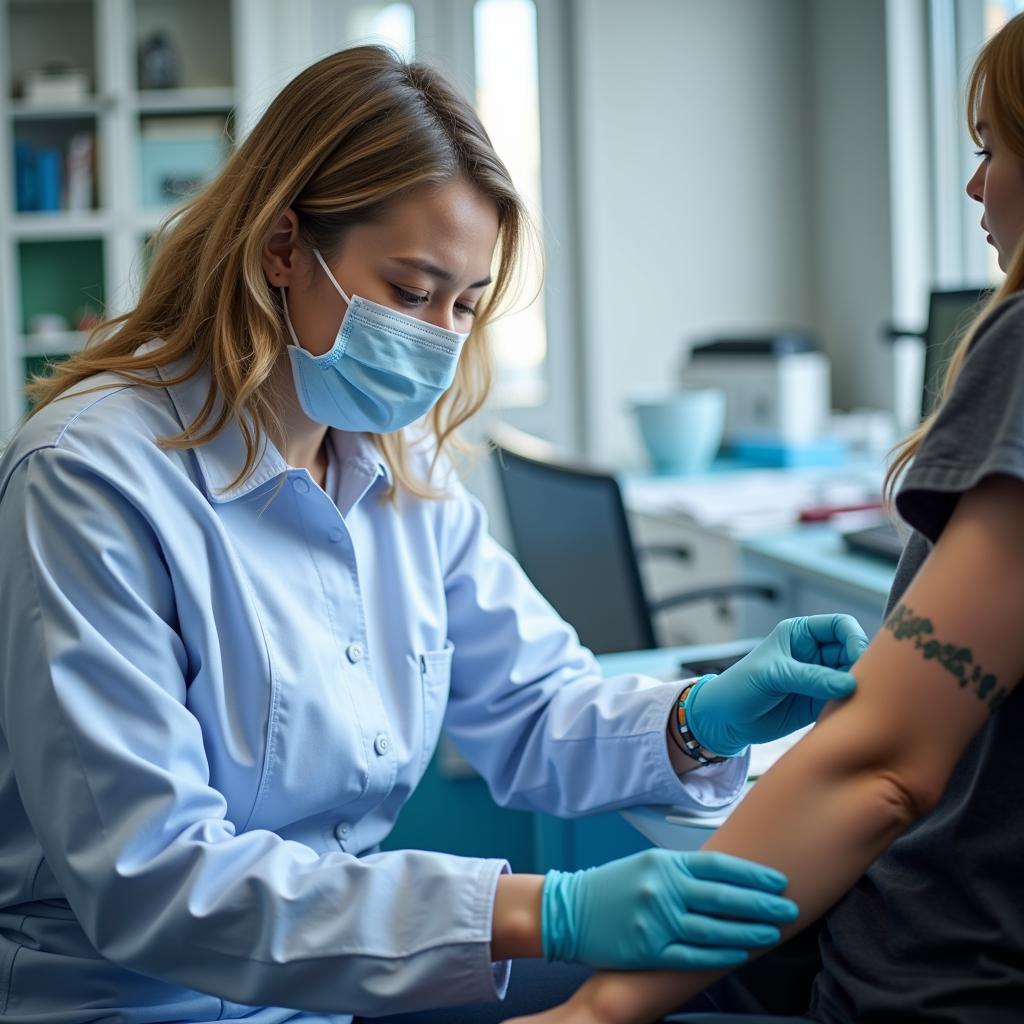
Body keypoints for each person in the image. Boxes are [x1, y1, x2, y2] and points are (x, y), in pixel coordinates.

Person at [0, 48, 866, 1024]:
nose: (439, 338)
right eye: (411, 292)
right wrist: (548, 910)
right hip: (142, 1004)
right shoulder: (89, 475)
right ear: (282, 246)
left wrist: (700, 717)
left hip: (328, 981)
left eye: (464, 303)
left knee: (757, 983)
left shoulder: (396, 463)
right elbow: (152, 879)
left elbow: (532, 702)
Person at [506, 13, 1024, 1024]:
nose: (975, 187)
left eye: (992, 148)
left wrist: (595, 1012)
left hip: (923, 977)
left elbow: (881, 764)